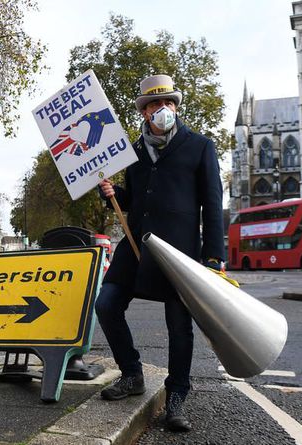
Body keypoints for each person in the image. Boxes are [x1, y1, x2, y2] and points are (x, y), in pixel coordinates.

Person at [96, 74, 223, 432]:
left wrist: (213, 258)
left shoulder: (200, 146)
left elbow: (212, 205)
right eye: (154, 104)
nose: (162, 109)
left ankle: (177, 394)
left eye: (168, 102)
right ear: (145, 111)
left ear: (176, 107)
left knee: (179, 327)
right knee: (106, 304)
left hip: (179, 252)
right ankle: (132, 374)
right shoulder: (133, 152)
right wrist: (112, 193)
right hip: (136, 246)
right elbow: (133, 200)